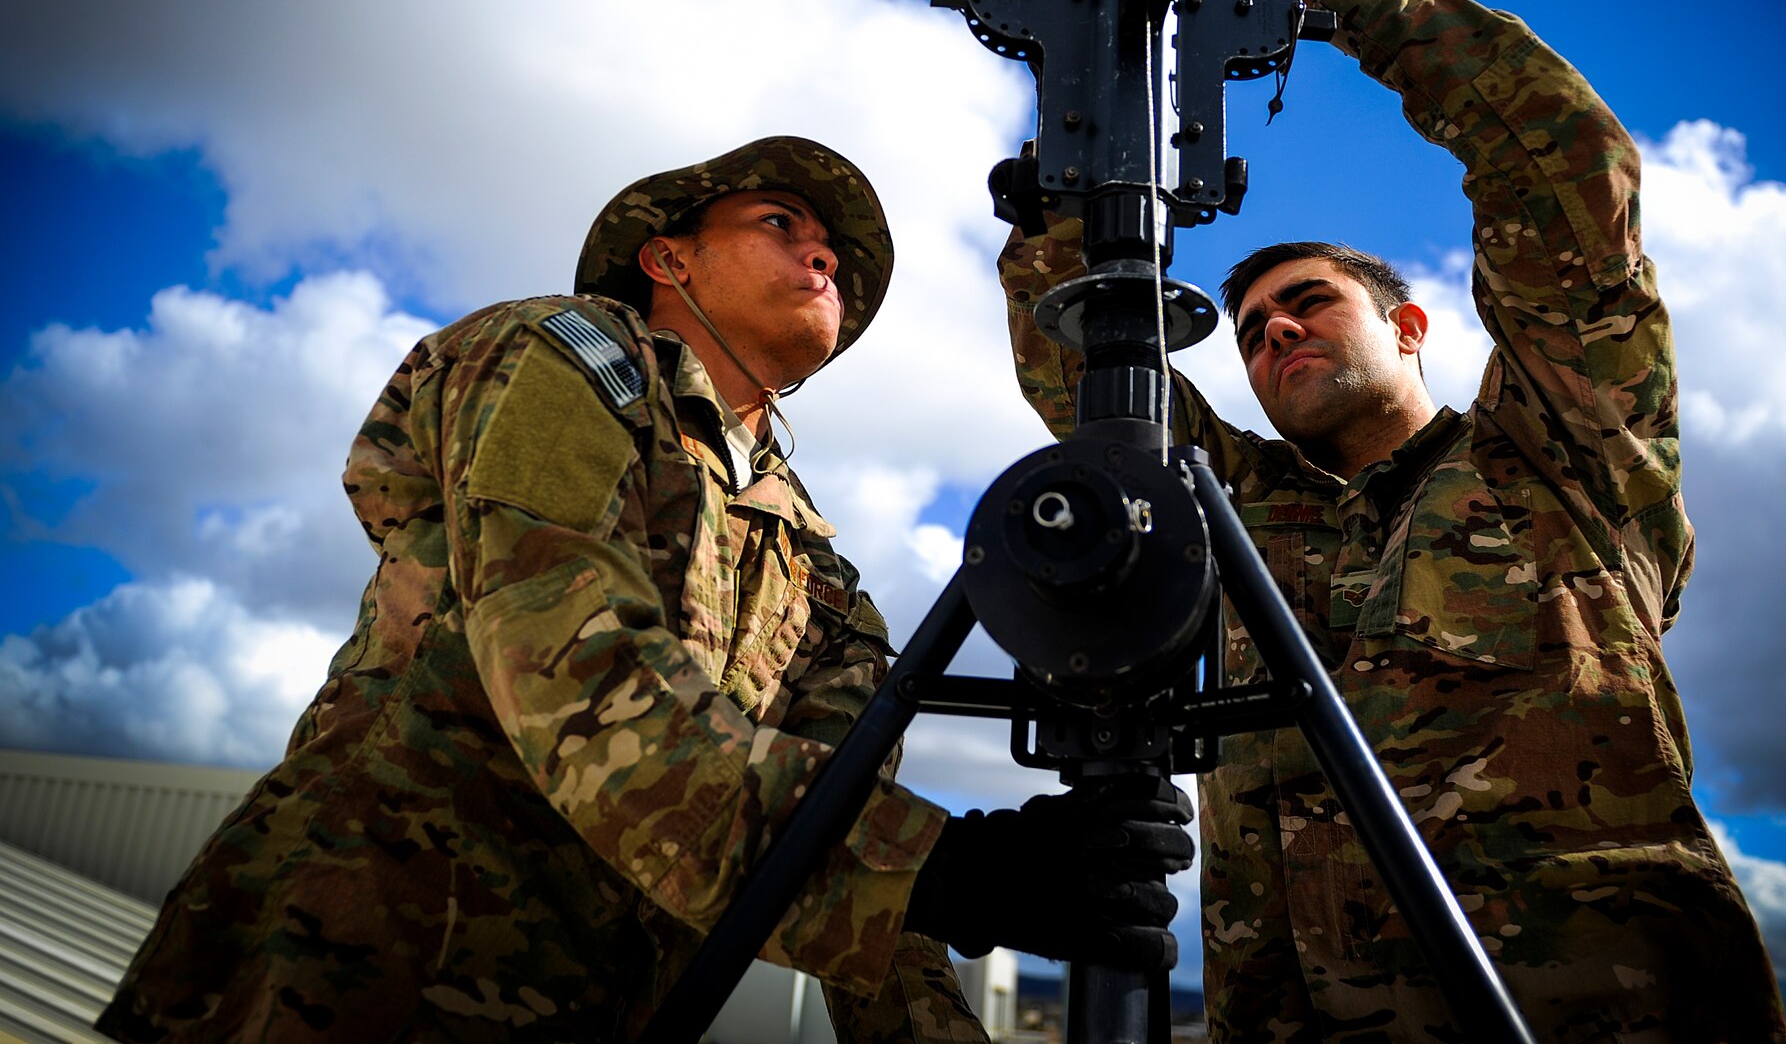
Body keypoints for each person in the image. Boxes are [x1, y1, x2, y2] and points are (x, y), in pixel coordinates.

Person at [98, 136, 1193, 1043]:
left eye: (835, 257)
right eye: (782, 225)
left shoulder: (822, 576)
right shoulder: (563, 353)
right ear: (666, 258)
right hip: (349, 967)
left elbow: (852, 859)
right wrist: (948, 866)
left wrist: (975, 885)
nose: (824, 260)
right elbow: (566, 651)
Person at [998, 0, 1786, 1042]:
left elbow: (1565, 166)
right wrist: (1064, 190)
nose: (1273, 332)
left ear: (1407, 326)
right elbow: (1085, 382)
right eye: (1252, 327)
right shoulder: (1230, 520)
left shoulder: (1563, 460)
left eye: (1307, 301)